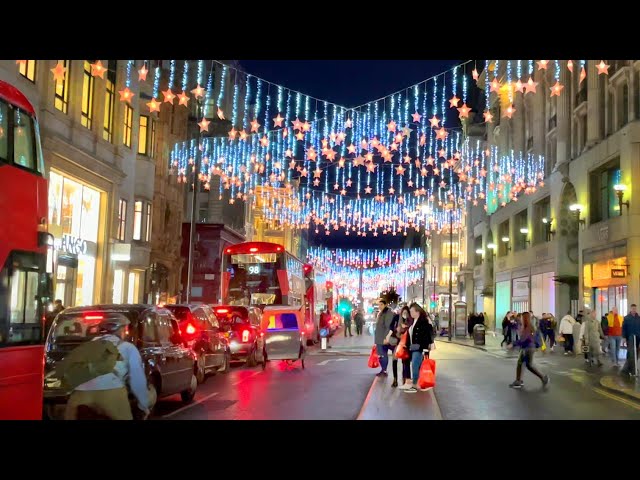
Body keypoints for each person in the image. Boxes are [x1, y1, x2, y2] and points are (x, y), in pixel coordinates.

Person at [64, 314, 151, 420]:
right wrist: (143, 405)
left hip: (81, 393)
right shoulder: (127, 348)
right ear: (120, 330)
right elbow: (137, 380)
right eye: (125, 329)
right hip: (112, 393)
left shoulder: (86, 346)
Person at [399, 303, 434, 393]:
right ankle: (415, 383)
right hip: (412, 347)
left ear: (417, 312)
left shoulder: (423, 321)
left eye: (411, 311)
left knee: (415, 365)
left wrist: (425, 349)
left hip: (419, 347)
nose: (410, 313)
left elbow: (427, 335)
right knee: (411, 363)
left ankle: (415, 385)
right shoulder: (413, 321)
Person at [509, 311, 549, 389]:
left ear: (524, 318)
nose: (520, 319)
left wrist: (513, 344)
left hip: (528, 348)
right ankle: (518, 381)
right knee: (521, 363)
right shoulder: (526, 326)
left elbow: (523, 339)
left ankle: (543, 378)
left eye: (521, 318)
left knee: (529, 365)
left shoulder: (528, 328)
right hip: (526, 348)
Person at [390, 306, 411, 388]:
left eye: (406, 313)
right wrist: (396, 329)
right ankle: (395, 379)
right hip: (397, 342)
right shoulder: (396, 317)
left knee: (404, 361)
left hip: (405, 343)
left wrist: (406, 328)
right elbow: (391, 326)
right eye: (403, 312)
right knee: (394, 360)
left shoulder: (409, 320)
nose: (404, 314)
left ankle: (404, 379)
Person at [374, 298, 396, 378]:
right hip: (379, 338)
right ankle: (383, 369)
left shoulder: (388, 313)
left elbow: (388, 326)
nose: (379, 306)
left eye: (381, 305)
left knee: (383, 354)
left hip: (383, 338)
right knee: (381, 355)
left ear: (385, 304)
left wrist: (386, 338)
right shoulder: (381, 313)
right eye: (379, 305)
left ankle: (384, 370)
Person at [621, 304, 640, 377]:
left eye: (635, 308)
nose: (634, 310)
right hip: (630, 338)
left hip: (637, 338)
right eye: (633, 308)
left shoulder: (638, 318)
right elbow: (624, 328)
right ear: (630, 309)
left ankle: (633, 367)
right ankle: (630, 369)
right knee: (631, 353)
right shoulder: (626, 318)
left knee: (636, 353)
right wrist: (624, 338)